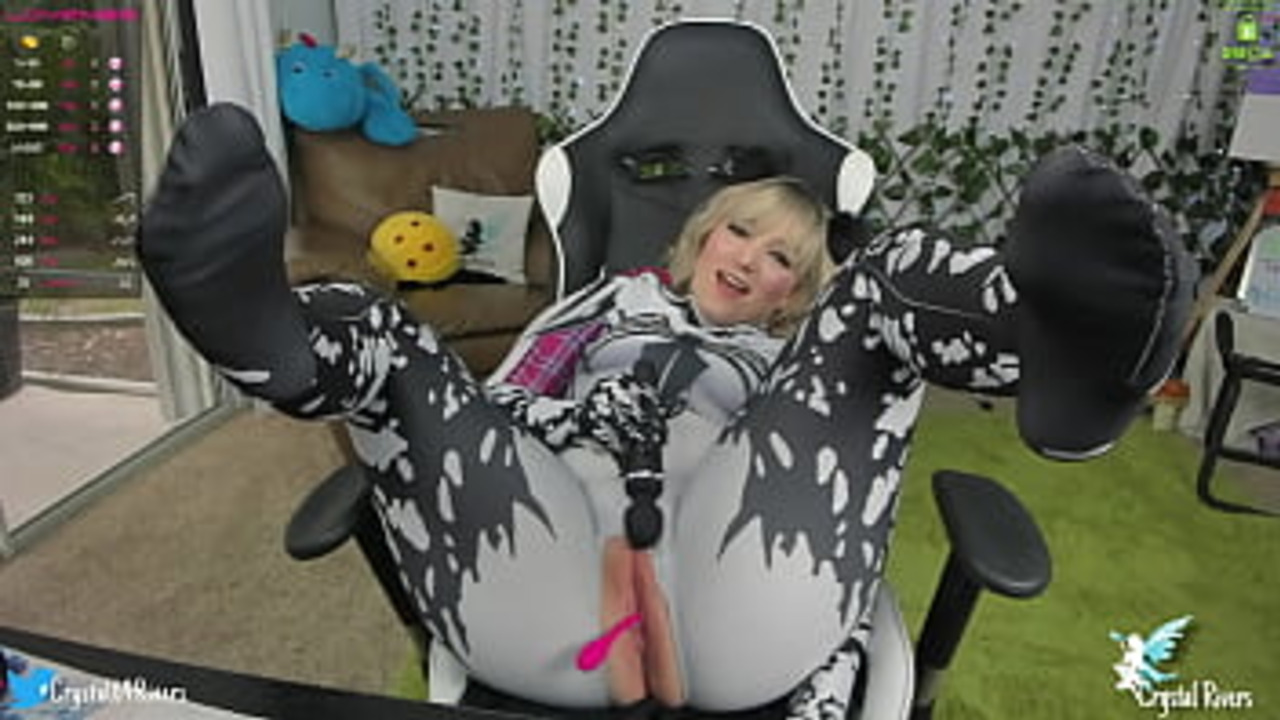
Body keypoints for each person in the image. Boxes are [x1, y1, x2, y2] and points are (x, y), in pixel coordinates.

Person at [138, 103, 1192, 719]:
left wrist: (776, 376)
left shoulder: (797, 355)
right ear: (699, 238)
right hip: (550, 576)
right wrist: (531, 433)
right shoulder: (602, 305)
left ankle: (1062, 346)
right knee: (392, 339)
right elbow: (502, 403)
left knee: (885, 282)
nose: (755, 261)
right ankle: (264, 335)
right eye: (741, 233)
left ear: (789, 297)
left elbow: (833, 442)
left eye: (784, 262)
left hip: (739, 574)